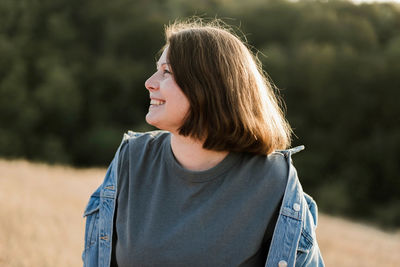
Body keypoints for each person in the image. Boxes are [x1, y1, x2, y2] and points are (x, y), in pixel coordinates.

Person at [82, 19, 324, 267]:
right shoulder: (131, 158)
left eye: (167, 72)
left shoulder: (274, 181)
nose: (149, 82)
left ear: (208, 86)